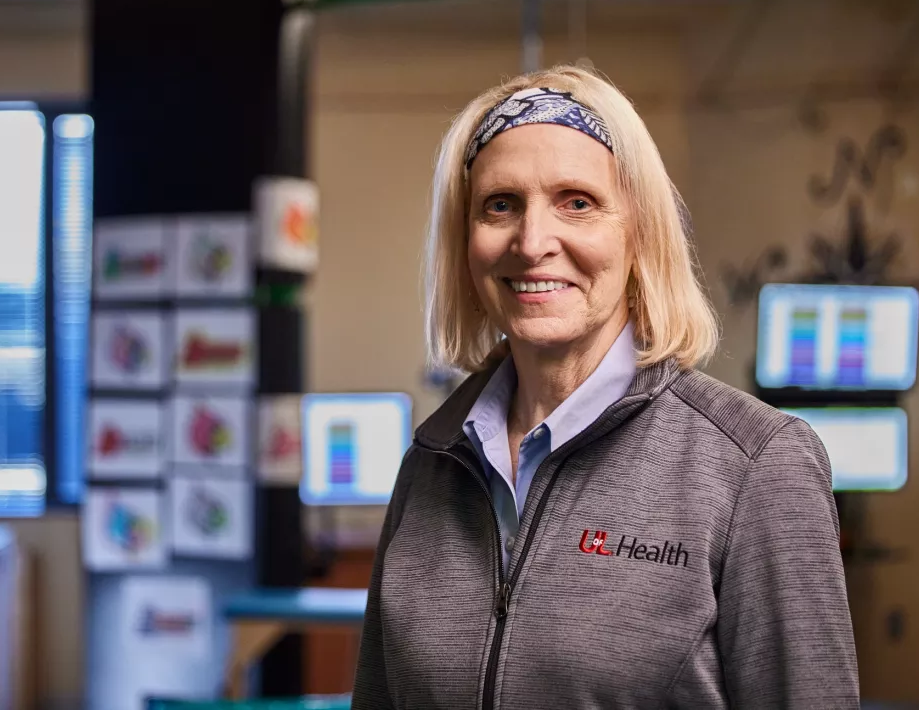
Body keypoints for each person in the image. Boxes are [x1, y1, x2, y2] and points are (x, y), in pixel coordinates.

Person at [351, 64, 859, 709]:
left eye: (578, 202)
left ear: (639, 234)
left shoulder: (756, 465)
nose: (533, 242)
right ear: (466, 241)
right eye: (500, 205)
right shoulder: (433, 459)